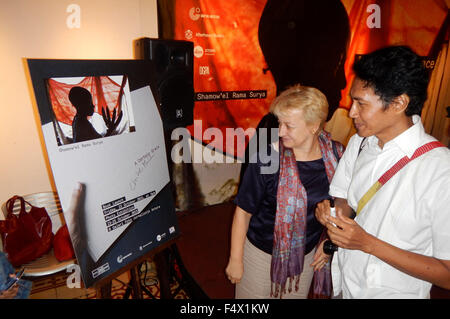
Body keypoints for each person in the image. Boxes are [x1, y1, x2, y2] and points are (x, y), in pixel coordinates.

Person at [315, 45, 450, 298]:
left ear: (399, 103)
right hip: (345, 284)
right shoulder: (360, 142)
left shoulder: (440, 170)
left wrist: (367, 244)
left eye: (360, 103)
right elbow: (345, 199)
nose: (351, 111)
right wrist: (334, 216)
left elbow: (447, 274)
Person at [225, 84, 344, 298]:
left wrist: (329, 241)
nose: (280, 132)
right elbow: (243, 212)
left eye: (289, 125)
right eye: (280, 123)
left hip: (306, 257)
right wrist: (235, 259)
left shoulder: (336, 155)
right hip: (261, 255)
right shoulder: (266, 159)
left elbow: (342, 204)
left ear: (314, 126)